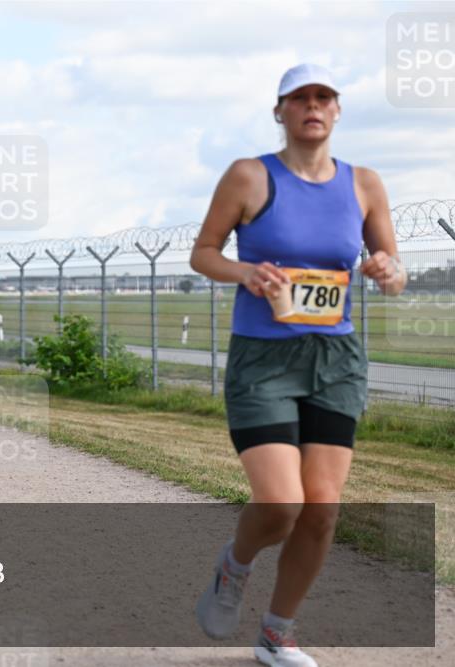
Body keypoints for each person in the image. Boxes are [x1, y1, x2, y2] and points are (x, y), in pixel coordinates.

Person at [189, 64, 407, 667]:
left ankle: (277, 633)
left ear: (337, 110)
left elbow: (394, 269)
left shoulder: (364, 183)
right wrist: (244, 272)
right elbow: (203, 253)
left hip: (336, 359)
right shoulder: (250, 175)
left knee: (322, 509)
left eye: (324, 97)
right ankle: (234, 567)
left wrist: (388, 269)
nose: (313, 106)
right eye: (300, 97)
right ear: (280, 111)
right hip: (263, 359)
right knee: (282, 504)